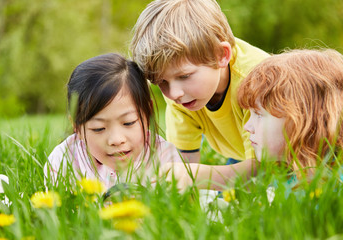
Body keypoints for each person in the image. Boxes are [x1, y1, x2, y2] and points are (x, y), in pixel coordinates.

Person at [159, 49, 343, 189]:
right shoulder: (293, 180)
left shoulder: (330, 187)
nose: (247, 127)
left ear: (303, 121)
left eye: (259, 115)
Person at [130, 0, 269, 169]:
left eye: (184, 76)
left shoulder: (257, 82)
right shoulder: (180, 94)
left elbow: (262, 168)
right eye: (161, 82)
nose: (173, 94)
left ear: (221, 55)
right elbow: (183, 160)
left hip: (289, 157)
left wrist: (195, 177)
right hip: (241, 157)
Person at [44, 53, 182, 188]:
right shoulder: (64, 161)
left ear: (148, 113)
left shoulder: (164, 158)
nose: (116, 140)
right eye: (99, 128)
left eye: (128, 123)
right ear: (77, 127)